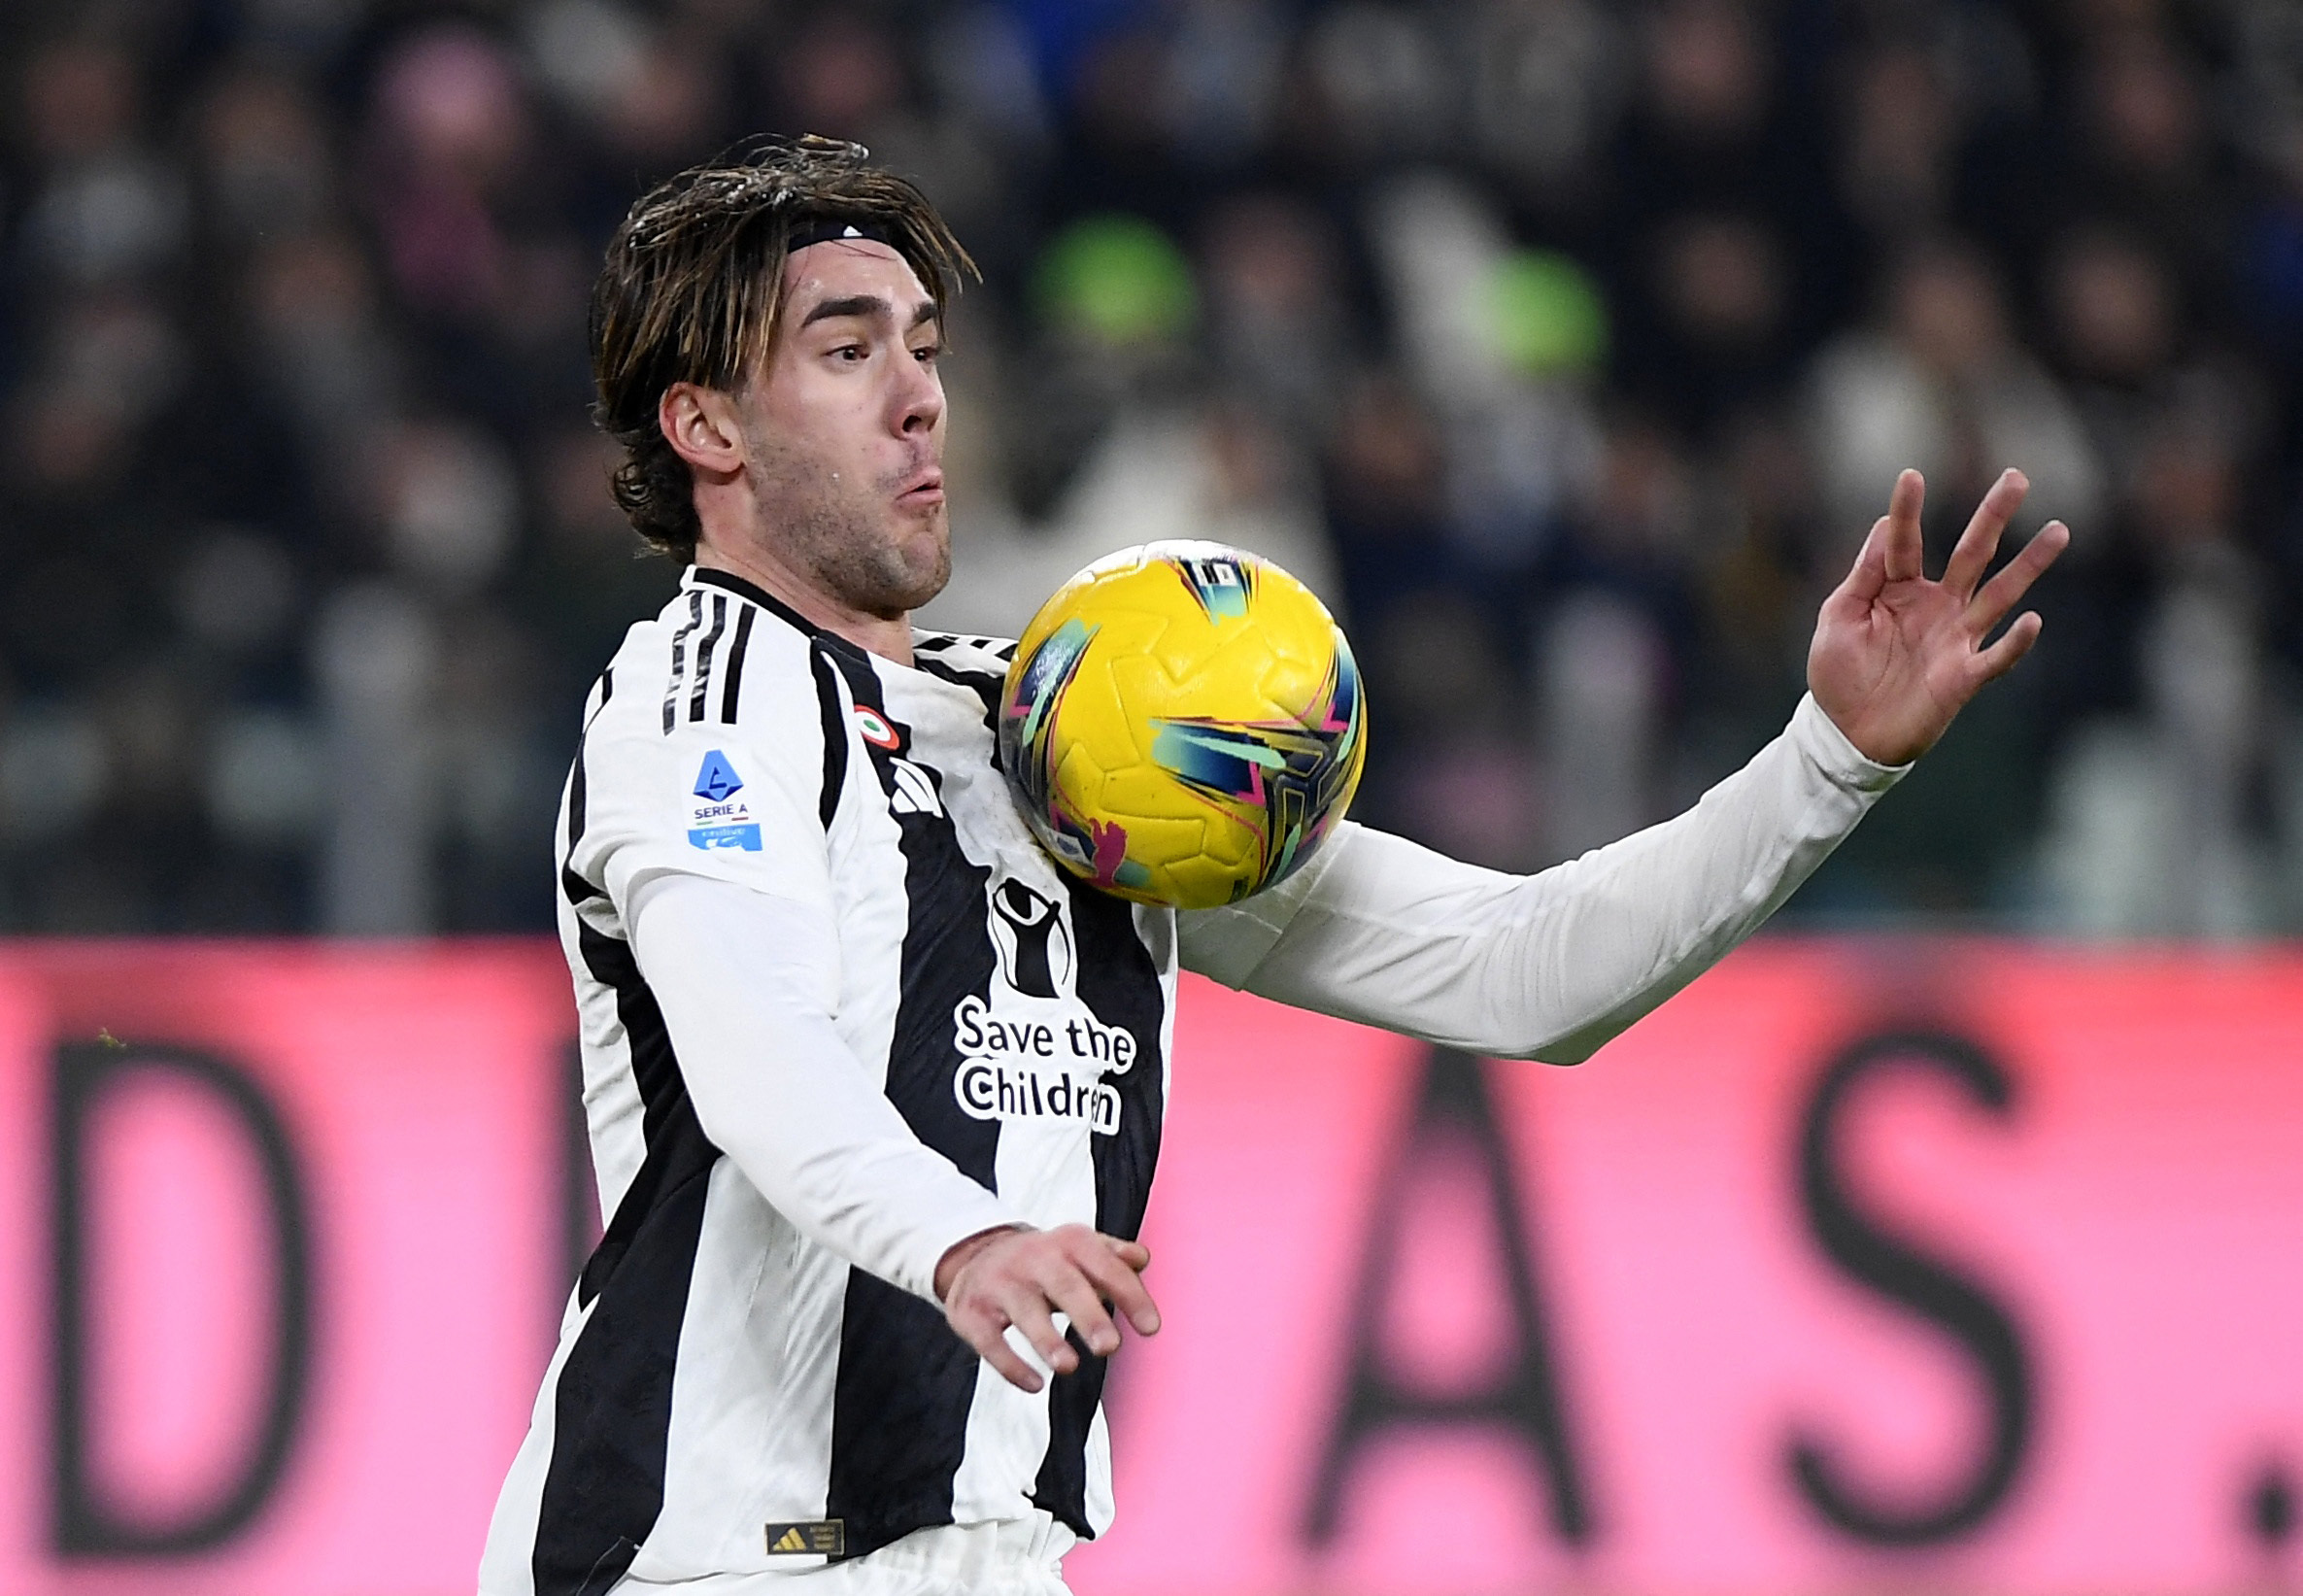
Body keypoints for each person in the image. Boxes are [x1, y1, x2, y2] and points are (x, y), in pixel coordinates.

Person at [479, 137, 2068, 1596]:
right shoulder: (696, 702)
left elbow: (1522, 975)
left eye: (924, 349)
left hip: (986, 1558)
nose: (919, 399)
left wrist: (1830, 757)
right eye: (846, 353)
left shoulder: (1065, 730)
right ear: (704, 427)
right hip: (702, 1555)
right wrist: (958, 1237)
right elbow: (759, 1057)